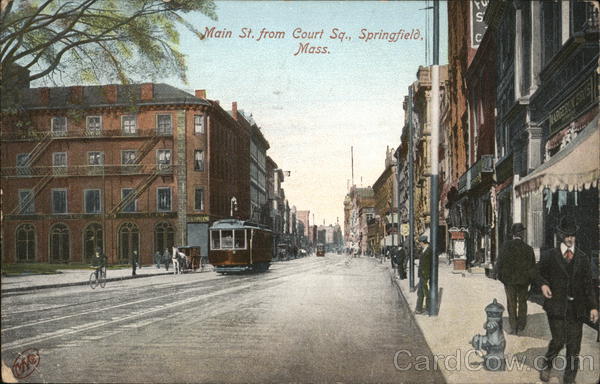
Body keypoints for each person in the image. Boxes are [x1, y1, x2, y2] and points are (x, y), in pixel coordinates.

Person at [537, 216, 598, 384]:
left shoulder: (583, 258)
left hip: (576, 310)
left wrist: (593, 307)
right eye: (566, 235)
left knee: (574, 347)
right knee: (558, 341)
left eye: (572, 235)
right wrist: (543, 285)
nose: (570, 239)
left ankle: (569, 379)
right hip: (556, 307)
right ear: (560, 235)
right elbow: (538, 274)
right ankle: (547, 364)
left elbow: (588, 286)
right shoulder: (549, 255)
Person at [495, 223, 536, 334]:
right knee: (522, 302)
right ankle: (522, 326)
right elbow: (533, 268)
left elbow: (499, 263)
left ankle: (513, 327)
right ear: (522, 234)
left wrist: (500, 277)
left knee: (511, 303)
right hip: (523, 281)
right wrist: (531, 282)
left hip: (509, 281)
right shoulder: (529, 249)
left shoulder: (505, 246)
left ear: (512, 234)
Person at [415, 234, 432, 315]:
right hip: (422, 273)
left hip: (426, 274)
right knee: (420, 292)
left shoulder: (429, 250)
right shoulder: (424, 249)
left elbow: (431, 263)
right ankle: (418, 309)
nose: (419, 245)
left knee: (426, 292)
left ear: (423, 242)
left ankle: (428, 309)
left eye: (420, 243)